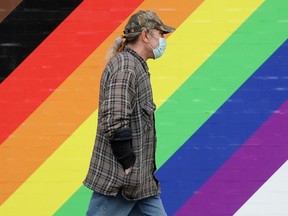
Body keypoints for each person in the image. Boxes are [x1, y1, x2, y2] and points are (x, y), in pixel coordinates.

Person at [84, 10, 175, 216]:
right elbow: (115, 118)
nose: (163, 40)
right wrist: (127, 162)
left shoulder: (136, 65)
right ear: (145, 35)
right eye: (160, 34)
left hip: (141, 182)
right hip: (121, 181)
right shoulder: (126, 66)